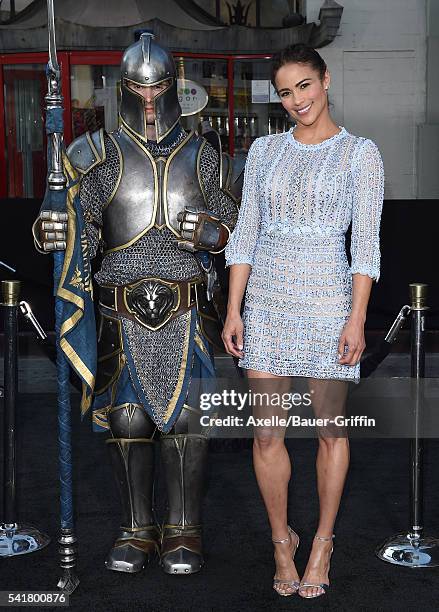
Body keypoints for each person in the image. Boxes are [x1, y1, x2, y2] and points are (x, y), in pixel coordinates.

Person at [35, 33, 238, 576]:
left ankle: (184, 529)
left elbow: (238, 231)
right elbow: (66, 220)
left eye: (159, 89)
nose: (149, 101)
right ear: (121, 90)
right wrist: (53, 226)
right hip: (120, 312)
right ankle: (136, 527)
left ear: (176, 88)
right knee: (126, 420)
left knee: (190, 419)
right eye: (137, 89)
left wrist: (217, 234)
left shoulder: (204, 156)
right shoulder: (90, 154)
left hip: (189, 308)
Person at [222, 43, 384, 598]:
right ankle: (280, 540)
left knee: (329, 432)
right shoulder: (264, 152)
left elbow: (365, 246)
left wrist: (357, 318)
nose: (297, 101)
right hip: (266, 307)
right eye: (286, 93)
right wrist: (233, 307)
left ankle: (322, 542)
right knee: (267, 433)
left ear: (326, 80)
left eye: (304, 87)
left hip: (329, 306)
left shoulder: (361, 154)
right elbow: (245, 233)